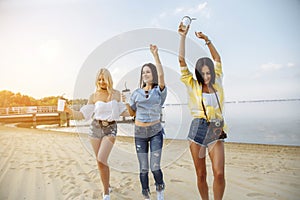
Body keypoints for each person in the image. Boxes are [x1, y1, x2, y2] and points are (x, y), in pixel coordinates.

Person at [178, 22, 227, 200]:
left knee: (219, 173)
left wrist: (207, 40)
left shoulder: (218, 81)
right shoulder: (192, 84)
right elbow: (181, 61)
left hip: (215, 128)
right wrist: (183, 36)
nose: (206, 76)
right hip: (197, 128)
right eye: (202, 73)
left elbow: (218, 59)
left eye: (208, 73)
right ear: (198, 74)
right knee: (201, 175)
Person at [65, 68, 128, 200]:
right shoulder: (93, 96)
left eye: (103, 79)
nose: (101, 82)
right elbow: (82, 115)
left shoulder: (116, 94)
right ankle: (107, 185)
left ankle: (106, 194)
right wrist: (68, 110)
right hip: (95, 128)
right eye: (99, 79)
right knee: (100, 162)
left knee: (101, 159)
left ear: (108, 79)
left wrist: (135, 107)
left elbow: (125, 112)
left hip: (110, 128)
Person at [123, 44, 167, 200]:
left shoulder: (159, 91)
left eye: (148, 72)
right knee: (143, 168)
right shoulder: (136, 93)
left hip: (155, 132)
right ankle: (146, 194)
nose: (145, 74)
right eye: (143, 72)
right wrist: (127, 103)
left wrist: (155, 55)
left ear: (153, 74)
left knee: (155, 167)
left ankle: (160, 190)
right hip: (140, 133)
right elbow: (132, 113)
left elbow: (161, 76)